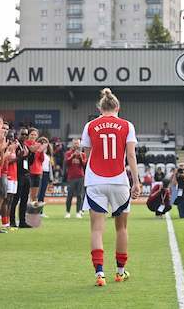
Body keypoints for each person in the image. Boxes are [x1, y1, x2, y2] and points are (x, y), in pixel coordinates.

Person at [80, 88, 141, 286]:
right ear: (118, 107)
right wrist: (137, 181)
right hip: (119, 180)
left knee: (97, 229)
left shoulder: (90, 125)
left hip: (95, 180)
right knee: (121, 228)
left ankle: (99, 274)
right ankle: (120, 272)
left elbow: (87, 156)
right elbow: (131, 155)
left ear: (100, 108)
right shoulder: (127, 125)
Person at [64, 138, 87, 218]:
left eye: (77, 143)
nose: (76, 145)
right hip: (71, 177)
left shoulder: (83, 154)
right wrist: (72, 156)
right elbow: (66, 162)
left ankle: (78, 212)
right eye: (75, 143)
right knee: (69, 195)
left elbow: (84, 164)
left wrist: (80, 156)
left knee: (79, 195)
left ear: (79, 144)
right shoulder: (68, 153)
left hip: (80, 176)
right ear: (72, 144)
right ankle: (67, 212)